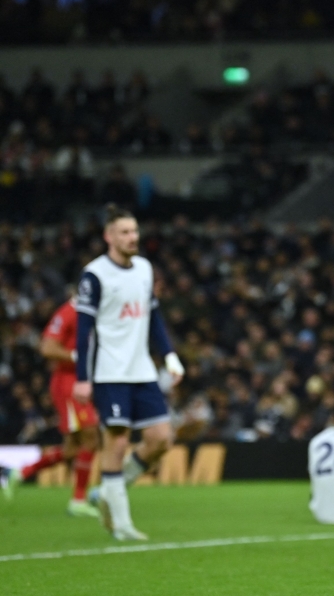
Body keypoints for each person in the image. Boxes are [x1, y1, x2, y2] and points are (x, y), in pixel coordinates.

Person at [72, 204, 186, 541]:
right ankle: (121, 524)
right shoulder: (94, 275)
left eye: (134, 231)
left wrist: (169, 355)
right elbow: (84, 331)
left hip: (142, 370)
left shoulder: (144, 269)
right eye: (124, 232)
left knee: (161, 439)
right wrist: (82, 377)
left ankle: (111, 488)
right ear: (109, 236)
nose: (132, 237)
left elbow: (154, 317)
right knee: (117, 441)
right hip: (110, 373)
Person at [1, 290, 101, 517]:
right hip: (68, 384)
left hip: (78, 382)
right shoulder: (69, 312)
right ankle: (78, 500)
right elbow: (47, 347)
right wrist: (79, 357)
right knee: (91, 436)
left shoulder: (91, 313)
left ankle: (19, 472)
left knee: (72, 449)